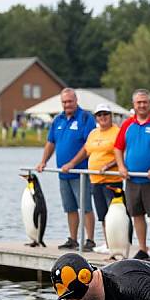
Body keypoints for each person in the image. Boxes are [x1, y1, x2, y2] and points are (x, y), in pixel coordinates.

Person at [36, 88, 96, 251]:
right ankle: (73, 239)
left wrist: (72, 163)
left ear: (76, 100)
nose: (67, 105)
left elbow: (88, 146)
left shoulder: (86, 118)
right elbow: (51, 142)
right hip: (63, 174)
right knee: (69, 208)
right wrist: (43, 161)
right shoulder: (58, 120)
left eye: (70, 101)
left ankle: (90, 240)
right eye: (64, 102)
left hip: (80, 173)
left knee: (85, 207)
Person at [114, 89, 150, 262]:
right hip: (132, 179)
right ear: (134, 105)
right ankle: (142, 248)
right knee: (136, 214)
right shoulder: (127, 125)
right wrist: (121, 166)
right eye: (139, 102)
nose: (142, 105)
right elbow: (118, 147)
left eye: (145, 102)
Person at [60, 103, 122, 254]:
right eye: (99, 115)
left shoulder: (117, 132)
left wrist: (109, 165)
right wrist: (72, 163)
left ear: (111, 116)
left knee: (116, 215)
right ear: (96, 118)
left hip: (112, 180)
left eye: (105, 114)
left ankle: (118, 245)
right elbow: (86, 151)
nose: (103, 117)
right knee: (103, 215)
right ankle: (109, 244)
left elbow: (123, 152)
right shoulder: (94, 133)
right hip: (95, 179)